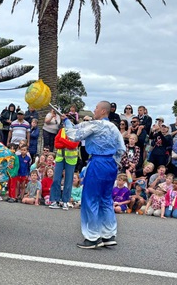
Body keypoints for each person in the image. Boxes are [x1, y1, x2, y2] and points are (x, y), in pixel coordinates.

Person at [63, 101, 125, 249]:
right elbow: (121, 149)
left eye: (96, 108)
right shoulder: (114, 128)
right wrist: (113, 163)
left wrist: (65, 121)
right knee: (105, 199)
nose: (94, 110)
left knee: (90, 198)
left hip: (98, 162)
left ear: (103, 111)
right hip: (111, 164)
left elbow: (73, 135)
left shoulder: (96, 124)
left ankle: (92, 237)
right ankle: (108, 234)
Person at [49, 128, 79, 211]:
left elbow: (73, 145)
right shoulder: (61, 130)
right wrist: (67, 143)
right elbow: (56, 145)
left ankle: (65, 201)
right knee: (56, 179)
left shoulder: (77, 131)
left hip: (71, 159)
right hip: (60, 158)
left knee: (68, 181)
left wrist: (62, 140)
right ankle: (55, 200)